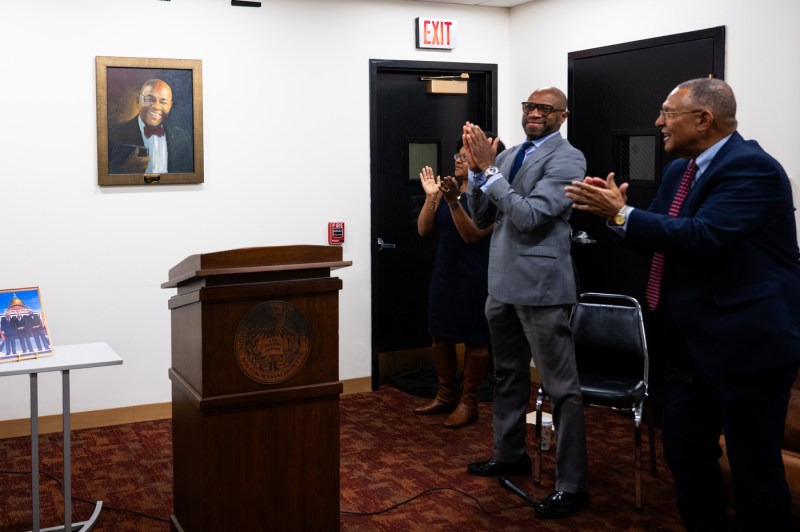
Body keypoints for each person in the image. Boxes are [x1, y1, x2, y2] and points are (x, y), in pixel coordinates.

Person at [565, 77, 800, 531]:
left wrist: (621, 213)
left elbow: (705, 237)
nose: (658, 123)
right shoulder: (679, 171)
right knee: (686, 454)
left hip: (748, 348)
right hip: (688, 345)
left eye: (667, 114)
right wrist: (618, 218)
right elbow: (666, 242)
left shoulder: (753, 169)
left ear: (703, 119)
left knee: (754, 471)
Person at [463, 87, 590, 519]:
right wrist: (478, 177)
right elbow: (482, 216)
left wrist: (491, 173)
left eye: (544, 109)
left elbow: (531, 216)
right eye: (529, 107)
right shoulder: (509, 153)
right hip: (500, 283)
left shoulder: (568, 159)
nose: (534, 113)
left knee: (561, 389)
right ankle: (510, 453)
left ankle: (572, 484)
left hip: (541, 287)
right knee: (508, 376)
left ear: (563, 116)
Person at [413, 135, 505, 429]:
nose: (458, 159)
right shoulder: (446, 189)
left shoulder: (494, 195)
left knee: (475, 339)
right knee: (439, 335)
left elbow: (472, 235)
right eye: (458, 154)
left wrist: (454, 202)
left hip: (476, 274)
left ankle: (469, 402)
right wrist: (432, 197)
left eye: (466, 155)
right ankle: (445, 395)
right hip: (446, 271)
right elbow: (423, 230)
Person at [108, 79, 193, 175]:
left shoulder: (183, 138)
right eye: (150, 99)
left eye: (163, 102)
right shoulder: (114, 134)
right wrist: (125, 170)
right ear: (137, 101)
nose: (156, 106)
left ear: (170, 106)